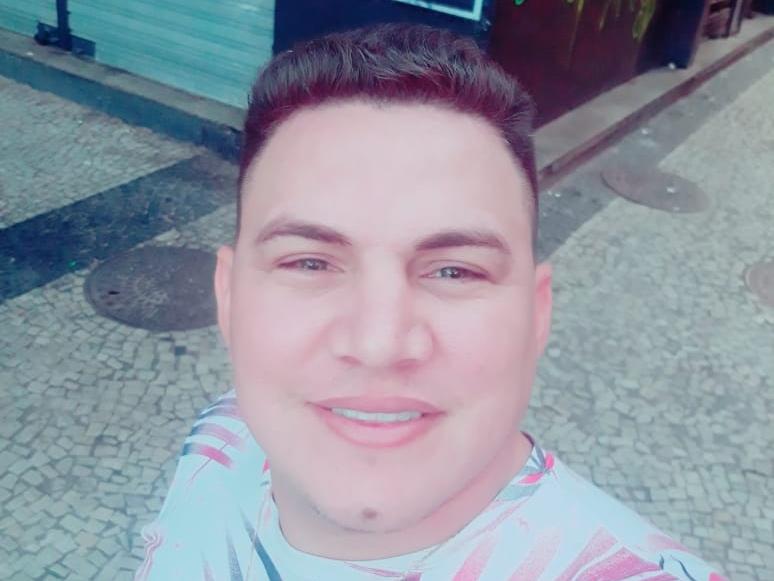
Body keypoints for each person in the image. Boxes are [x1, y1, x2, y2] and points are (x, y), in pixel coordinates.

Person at [136, 24, 726, 580]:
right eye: (309, 263)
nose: (378, 343)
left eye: (454, 271)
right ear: (228, 296)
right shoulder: (220, 438)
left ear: (537, 315)